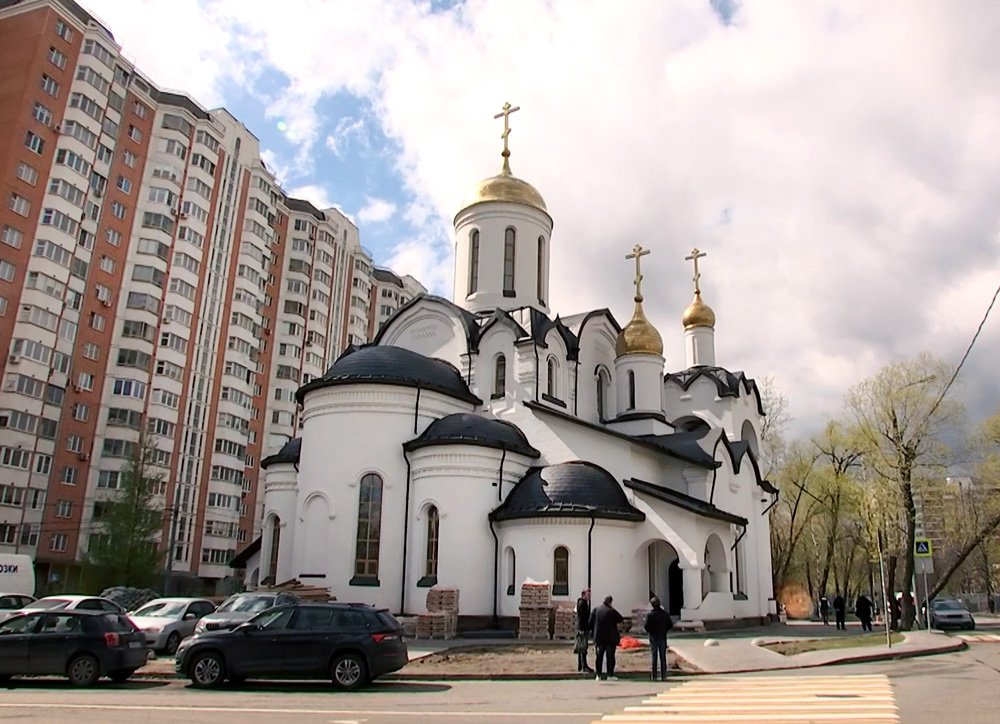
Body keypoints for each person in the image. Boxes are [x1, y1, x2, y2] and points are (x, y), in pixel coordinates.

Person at [590, 594, 623, 681]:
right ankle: (610, 674)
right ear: (610, 602)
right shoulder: (611, 611)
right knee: (610, 657)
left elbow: (590, 622)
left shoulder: (596, 610)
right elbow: (620, 618)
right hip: (610, 638)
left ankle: (598, 674)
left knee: (599, 656)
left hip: (599, 637)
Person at [644, 596, 673, 681]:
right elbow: (670, 625)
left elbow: (646, 626)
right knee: (663, 656)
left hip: (653, 637)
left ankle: (654, 675)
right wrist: (664, 630)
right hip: (662, 636)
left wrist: (650, 631)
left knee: (654, 656)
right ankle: (664, 675)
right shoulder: (665, 614)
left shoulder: (650, 615)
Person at [574, 588, 593, 673]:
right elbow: (581, 617)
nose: (589, 596)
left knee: (582, 647)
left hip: (583, 628)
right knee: (583, 647)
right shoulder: (582, 603)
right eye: (588, 594)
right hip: (583, 628)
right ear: (583, 594)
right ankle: (583, 666)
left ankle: (581, 666)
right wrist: (582, 629)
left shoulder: (582, 603)